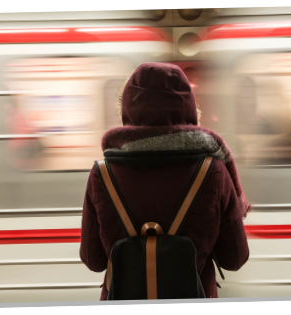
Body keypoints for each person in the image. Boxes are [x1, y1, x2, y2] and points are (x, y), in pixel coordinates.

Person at [80, 63, 250, 300]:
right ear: (189, 108)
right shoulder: (214, 171)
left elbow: (93, 260)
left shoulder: (102, 174)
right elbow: (235, 259)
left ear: (128, 109)